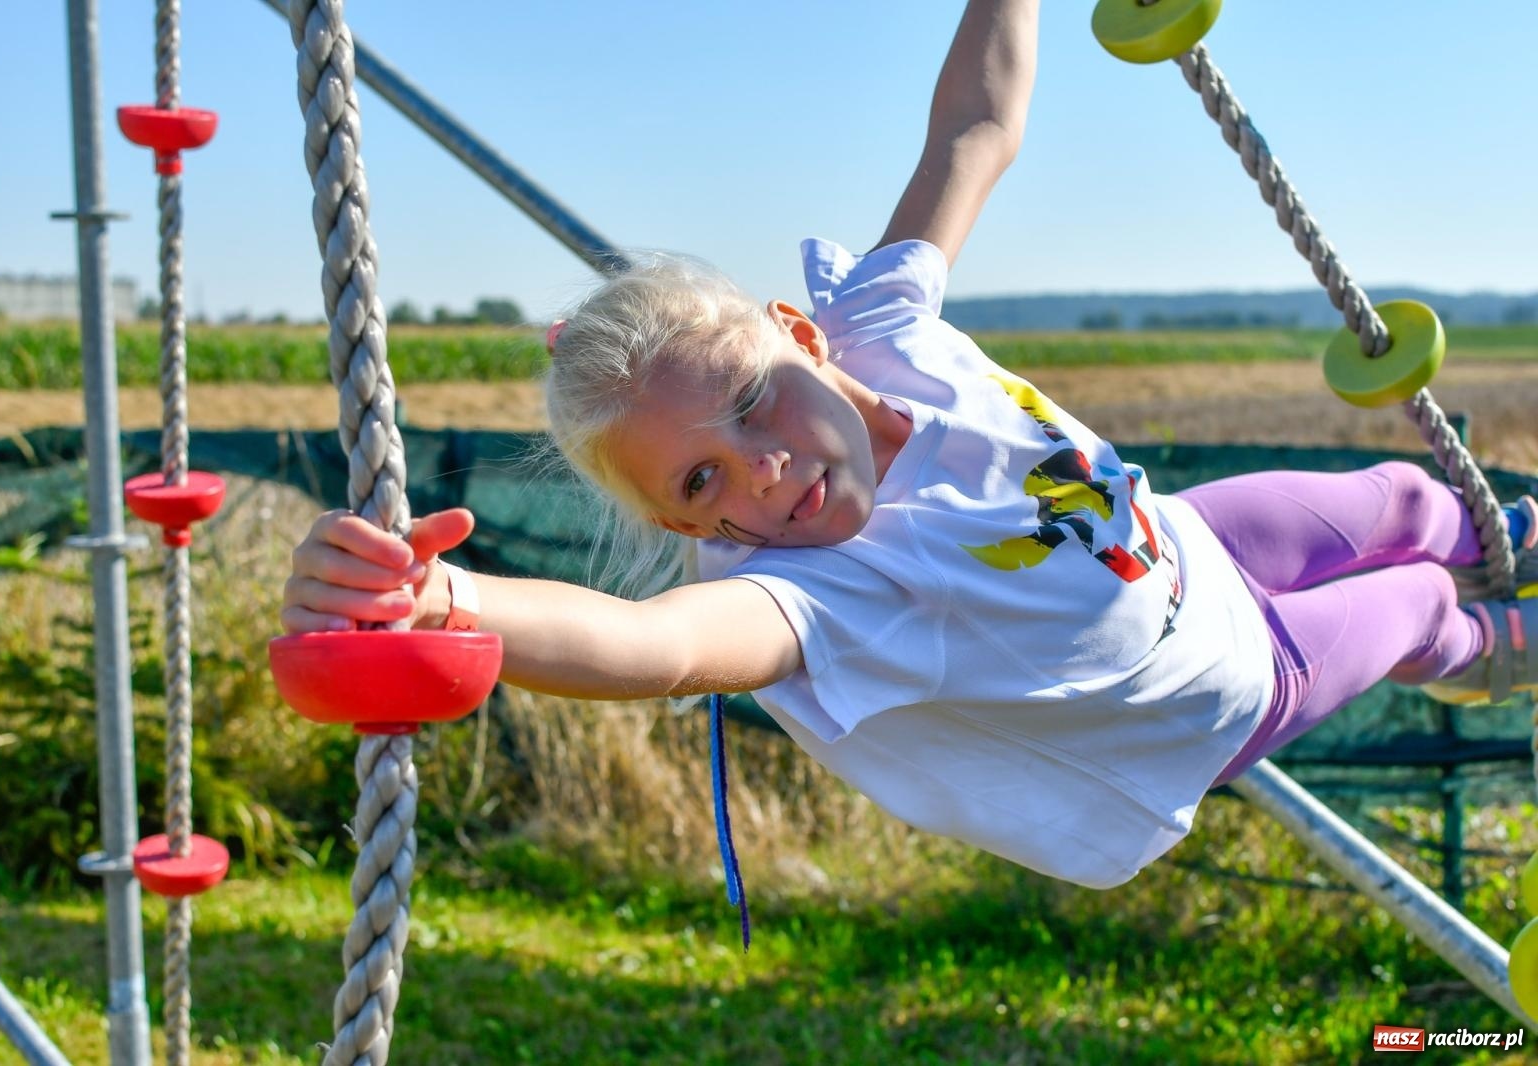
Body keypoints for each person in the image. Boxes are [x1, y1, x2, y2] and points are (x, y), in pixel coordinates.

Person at [282, 0, 1538, 896]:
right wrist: (447, 593)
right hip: (1217, 687)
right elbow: (658, 650)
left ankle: (1507, 531)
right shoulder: (824, 597)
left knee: (1405, 496)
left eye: (749, 401)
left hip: (1185, 543)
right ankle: (1496, 646)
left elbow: (970, 134)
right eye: (703, 480)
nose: (761, 469)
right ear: (687, 527)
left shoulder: (881, 326)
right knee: (1419, 602)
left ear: (798, 333)